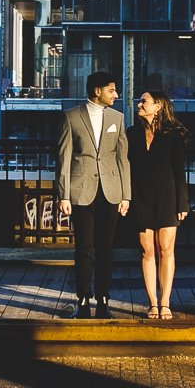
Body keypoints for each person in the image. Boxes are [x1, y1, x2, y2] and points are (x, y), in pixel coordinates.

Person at [55, 70, 130, 318]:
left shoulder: (118, 118)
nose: (116, 95)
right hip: (80, 190)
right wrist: (63, 194)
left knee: (106, 249)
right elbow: (63, 157)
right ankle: (83, 300)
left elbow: (123, 159)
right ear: (97, 91)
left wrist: (126, 195)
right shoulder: (71, 117)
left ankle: (104, 300)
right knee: (84, 249)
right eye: (112, 90)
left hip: (111, 191)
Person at [127, 89, 189, 320]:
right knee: (147, 250)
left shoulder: (173, 135)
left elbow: (178, 171)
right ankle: (153, 303)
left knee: (167, 249)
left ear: (158, 106)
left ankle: (165, 302)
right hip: (141, 196)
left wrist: (182, 203)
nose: (140, 104)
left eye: (144, 101)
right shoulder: (131, 133)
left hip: (168, 197)